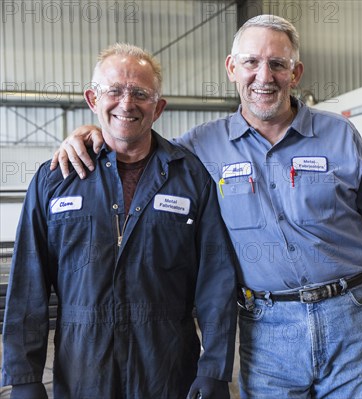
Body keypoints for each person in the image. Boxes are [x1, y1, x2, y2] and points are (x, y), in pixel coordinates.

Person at [52, 15, 362, 398]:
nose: (264, 76)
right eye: (251, 62)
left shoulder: (339, 134)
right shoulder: (199, 146)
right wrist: (90, 134)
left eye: (278, 64)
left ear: (295, 72)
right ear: (232, 69)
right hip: (267, 327)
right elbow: (135, 138)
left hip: (351, 313)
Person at [2, 43, 238, 399]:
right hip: (82, 370)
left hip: (168, 370)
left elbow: (216, 284)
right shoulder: (55, 179)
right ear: (92, 99)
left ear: (158, 108)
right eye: (114, 90)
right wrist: (24, 377)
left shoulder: (191, 178)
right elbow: (27, 284)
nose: (126, 103)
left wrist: (216, 370)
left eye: (140, 93)